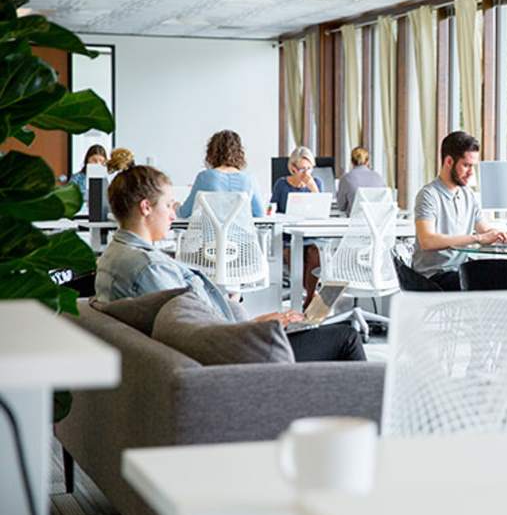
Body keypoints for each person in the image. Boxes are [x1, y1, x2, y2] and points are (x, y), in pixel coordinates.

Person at [95, 165, 365, 362]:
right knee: (347, 338)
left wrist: (260, 321)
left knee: (318, 328)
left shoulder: (115, 255)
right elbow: (194, 335)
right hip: (237, 353)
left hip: (231, 337)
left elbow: (190, 324)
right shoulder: (150, 269)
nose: (173, 215)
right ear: (146, 207)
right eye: (168, 206)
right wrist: (258, 328)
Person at [412, 131, 507, 291]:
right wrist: (477, 238)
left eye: (473, 166)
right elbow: (427, 240)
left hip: (461, 271)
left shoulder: (468, 195)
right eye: (466, 165)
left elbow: (485, 230)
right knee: (490, 285)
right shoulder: (428, 195)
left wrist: (505, 236)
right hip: (434, 276)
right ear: (449, 161)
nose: (471, 173)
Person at [271, 146, 323, 309]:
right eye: (302, 169)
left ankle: (309, 298)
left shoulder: (316, 183)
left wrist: (313, 189)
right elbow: (273, 210)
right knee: (293, 253)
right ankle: (311, 295)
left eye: (309, 168)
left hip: (311, 235)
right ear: (293, 168)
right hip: (288, 236)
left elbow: (323, 211)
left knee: (315, 253)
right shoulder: (282, 184)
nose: (306, 174)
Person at [178, 130, 263, 218]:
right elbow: (259, 213)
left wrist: (176, 207)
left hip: (209, 228)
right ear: (239, 153)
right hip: (242, 228)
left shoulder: (204, 177)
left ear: (211, 152)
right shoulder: (249, 179)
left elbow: (185, 213)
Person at [336, 146, 386, 215]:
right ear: (368, 161)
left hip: (354, 220)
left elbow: (341, 207)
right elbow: (384, 203)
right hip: (376, 220)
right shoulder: (378, 178)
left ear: (351, 161)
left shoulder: (346, 179)